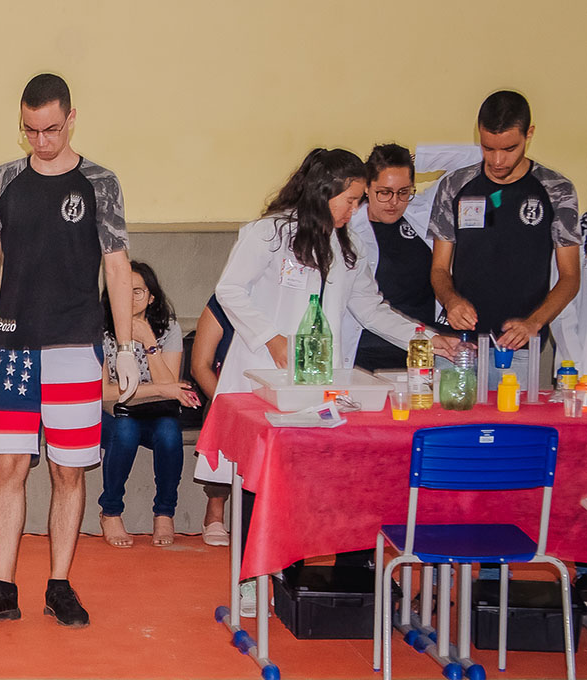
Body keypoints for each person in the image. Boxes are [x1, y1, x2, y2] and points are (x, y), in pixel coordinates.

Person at [205, 148, 453, 616]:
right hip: (263, 379)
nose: (355, 210)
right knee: (256, 483)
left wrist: (430, 337)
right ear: (326, 192)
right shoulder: (270, 233)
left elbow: (372, 310)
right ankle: (248, 577)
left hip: (319, 385)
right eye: (352, 200)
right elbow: (229, 289)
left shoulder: (345, 248)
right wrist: (271, 338)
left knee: (304, 481)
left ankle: (288, 570)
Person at [0, 73, 138, 629]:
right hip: (14, 345)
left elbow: (118, 263)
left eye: (51, 129)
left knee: (68, 471)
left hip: (75, 346)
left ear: (71, 117)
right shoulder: (5, 178)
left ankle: (59, 584)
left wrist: (123, 345)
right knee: (8, 466)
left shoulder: (100, 182)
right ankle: (3, 587)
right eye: (31, 130)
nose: (42, 140)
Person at [428, 90, 582, 388]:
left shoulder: (556, 189)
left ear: (529, 134)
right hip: (457, 346)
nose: (498, 160)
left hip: (518, 347)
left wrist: (534, 323)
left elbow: (570, 277)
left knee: (512, 431)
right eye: (488, 148)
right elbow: (439, 268)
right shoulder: (455, 185)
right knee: (453, 430)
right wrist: (450, 300)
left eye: (509, 149)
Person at [98, 260, 200, 548]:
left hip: (157, 414)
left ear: (151, 297)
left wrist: (149, 343)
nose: (129, 299)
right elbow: (105, 394)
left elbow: (171, 390)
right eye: (122, 290)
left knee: (169, 433)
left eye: (138, 292)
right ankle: (111, 511)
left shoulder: (169, 329)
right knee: (126, 430)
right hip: (113, 416)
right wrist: (158, 388)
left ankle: (165, 512)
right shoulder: (100, 330)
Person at [342, 144, 443, 372]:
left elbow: (477, 159)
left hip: (421, 352)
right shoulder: (347, 227)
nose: (394, 202)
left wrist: (419, 158)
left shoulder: (422, 214)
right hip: (364, 355)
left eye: (404, 192)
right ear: (367, 187)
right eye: (384, 192)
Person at [188, 295, 234, 547]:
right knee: (220, 416)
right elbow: (199, 366)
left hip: (274, 392)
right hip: (226, 394)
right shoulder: (222, 302)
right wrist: (226, 404)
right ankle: (215, 510)